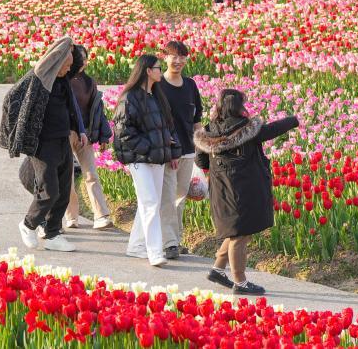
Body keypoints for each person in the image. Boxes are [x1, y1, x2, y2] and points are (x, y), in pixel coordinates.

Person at [195, 89, 299, 296]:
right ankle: (240, 282)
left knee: (236, 229)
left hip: (221, 189)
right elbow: (271, 130)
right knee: (240, 236)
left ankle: (217, 270)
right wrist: (294, 119)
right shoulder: (246, 128)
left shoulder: (208, 131)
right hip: (244, 188)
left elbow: (201, 161)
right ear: (238, 106)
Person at [0, 36, 80, 253]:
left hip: (62, 139)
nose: (68, 69)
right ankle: (28, 225)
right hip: (43, 144)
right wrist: (19, 133)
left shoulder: (62, 81)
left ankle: (53, 234)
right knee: (49, 191)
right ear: (56, 62)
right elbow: (11, 97)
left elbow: (77, 63)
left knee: (63, 191)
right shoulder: (39, 78)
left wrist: (71, 46)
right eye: (66, 65)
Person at [112, 54, 181, 267]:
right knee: (151, 203)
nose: (162, 71)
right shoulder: (130, 98)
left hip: (157, 158)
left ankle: (136, 246)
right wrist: (151, 147)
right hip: (139, 159)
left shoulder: (156, 95)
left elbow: (169, 127)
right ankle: (154, 252)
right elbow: (124, 132)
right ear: (148, 71)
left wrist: (173, 151)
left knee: (150, 202)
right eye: (159, 68)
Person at [156, 41, 203, 260]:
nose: (178, 61)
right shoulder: (158, 85)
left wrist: (201, 148)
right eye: (174, 56)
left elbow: (196, 120)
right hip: (167, 152)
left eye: (182, 57)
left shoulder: (190, 85)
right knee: (167, 198)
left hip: (187, 151)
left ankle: (175, 239)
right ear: (164, 57)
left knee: (180, 198)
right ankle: (169, 243)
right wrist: (167, 148)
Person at [65, 44, 113, 230]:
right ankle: (71, 217)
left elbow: (97, 110)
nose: (84, 61)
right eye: (80, 57)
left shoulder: (88, 82)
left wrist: (102, 134)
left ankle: (101, 216)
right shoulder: (64, 80)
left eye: (85, 57)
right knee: (67, 177)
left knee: (91, 174)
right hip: (67, 132)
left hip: (86, 133)